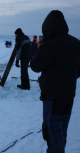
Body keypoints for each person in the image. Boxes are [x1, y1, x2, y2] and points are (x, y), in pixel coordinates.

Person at [30, 10, 80, 153]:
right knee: (61, 129)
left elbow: (35, 66)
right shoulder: (76, 43)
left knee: (51, 131)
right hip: (69, 95)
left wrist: (40, 50)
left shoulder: (49, 45)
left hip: (52, 97)